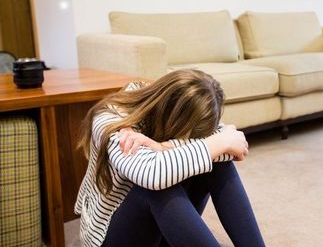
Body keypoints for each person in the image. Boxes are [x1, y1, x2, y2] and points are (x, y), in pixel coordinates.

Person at [75, 69, 265, 247]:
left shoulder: (166, 106)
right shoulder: (112, 120)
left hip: (158, 230)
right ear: (173, 117)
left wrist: (163, 146)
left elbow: (232, 145)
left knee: (218, 164)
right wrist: (218, 143)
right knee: (157, 187)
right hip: (108, 236)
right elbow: (151, 175)